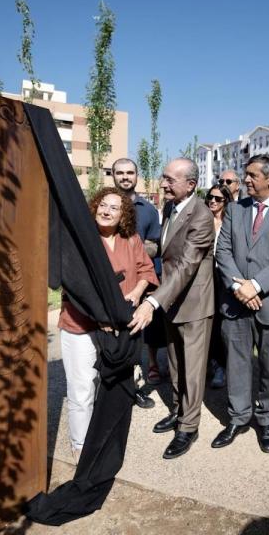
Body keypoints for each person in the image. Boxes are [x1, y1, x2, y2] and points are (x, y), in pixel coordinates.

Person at [57, 188, 158, 463]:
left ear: (123, 214)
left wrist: (137, 292)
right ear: (94, 207)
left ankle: (103, 439)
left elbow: (147, 271)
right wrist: (100, 315)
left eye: (115, 208)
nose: (107, 211)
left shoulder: (131, 238)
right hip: (82, 324)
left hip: (119, 326)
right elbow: (75, 286)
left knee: (112, 386)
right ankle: (80, 446)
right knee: (82, 388)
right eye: (103, 205)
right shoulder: (83, 240)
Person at [128, 158, 215, 460]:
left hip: (193, 304)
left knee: (192, 369)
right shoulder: (170, 208)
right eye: (163, 178)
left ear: (190, 184)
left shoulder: (201, 215)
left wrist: (152, 301)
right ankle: (178, 412)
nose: (163, 184)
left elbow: (185, 266)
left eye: (169, 179)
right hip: (172, 301)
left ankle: (189, 427)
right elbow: (165, 250)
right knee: (176, 362)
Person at [213, 153, 269, 453]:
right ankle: (237, 417)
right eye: (246, 174)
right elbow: (222, 251)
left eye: (251, 175)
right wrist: (239, 286)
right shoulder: (235, 210)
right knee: (236, 362)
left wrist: (257, 286)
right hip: (236, 301)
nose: (245, 179)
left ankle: (266, 420)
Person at [112, 158, 165, 388]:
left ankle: (151, 363)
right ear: (113, 175)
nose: (125, 176)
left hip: (143, 277)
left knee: (148, 324)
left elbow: (155, 243)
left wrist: (135, 251)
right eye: (120, 172)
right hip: (113, 277)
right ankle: (123, 372)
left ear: (137, 176)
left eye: (130, 172)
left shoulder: (148, 210)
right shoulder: (103, 206)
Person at [205, 183, 232, 389]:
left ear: (226, 201)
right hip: (205, 278)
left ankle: (221, 366)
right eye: (210, 197)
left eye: (218, 199)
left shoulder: (230, 222)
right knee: (208, 323)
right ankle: (209, 364)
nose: (212, 201)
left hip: (223, 279)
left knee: (222, 324)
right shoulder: (203, 220)